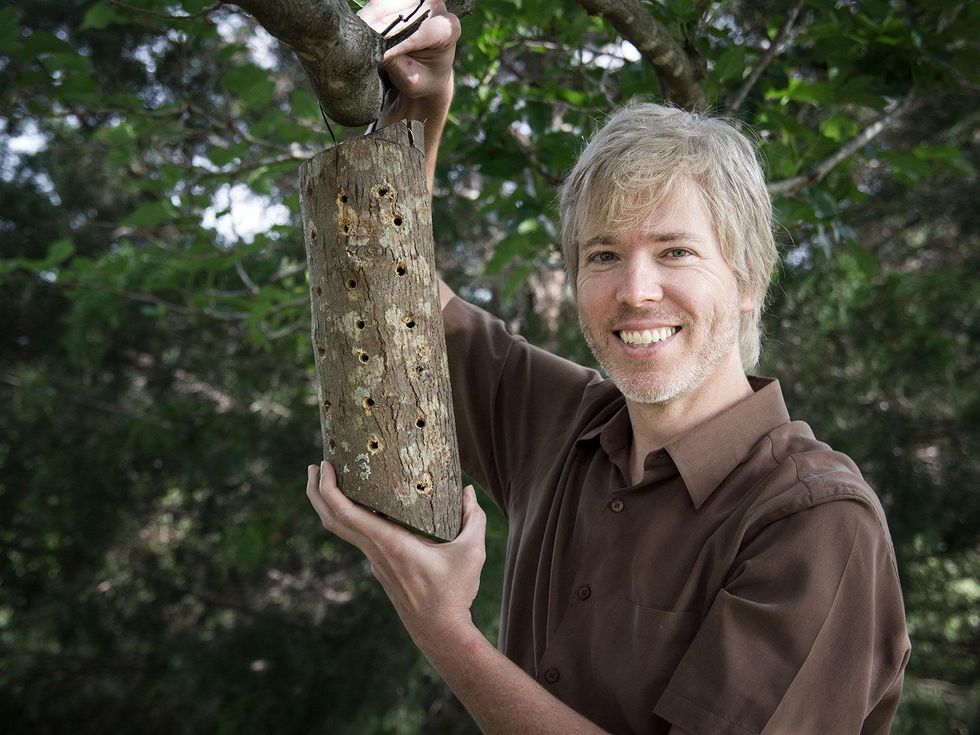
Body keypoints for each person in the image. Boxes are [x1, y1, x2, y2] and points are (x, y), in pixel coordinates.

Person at [305, 2, 912, 733]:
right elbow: (403, 292)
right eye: (603, 255)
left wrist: (444, 628)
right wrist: (423, 98)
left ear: (749, 279)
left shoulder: (817, 521)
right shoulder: (564, 424)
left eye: (676, 250)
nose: (635, 290)